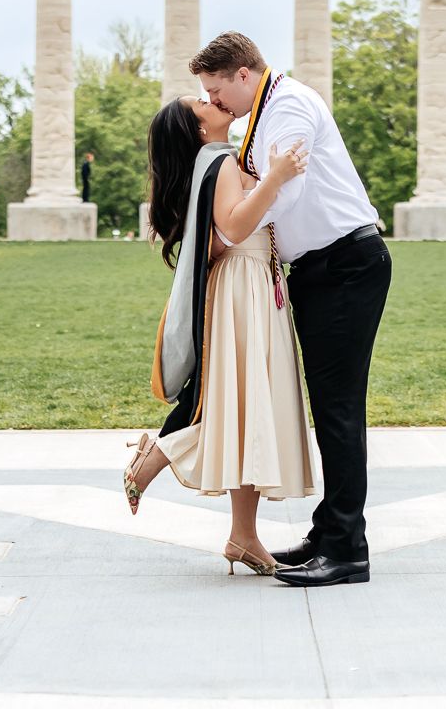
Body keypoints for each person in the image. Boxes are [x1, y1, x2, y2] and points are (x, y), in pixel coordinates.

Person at [192, 31, 389, 588]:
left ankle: (348, 550)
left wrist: (231, 225)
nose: (215, 101)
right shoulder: (264, 112)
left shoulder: (290, 106)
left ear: (242, 74)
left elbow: (286, 195)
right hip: (319, 271)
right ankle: (329, 533)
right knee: (329, 406)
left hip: (346, 262)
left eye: (216, 88)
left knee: (339, 410)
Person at [126, 94, 313, 575]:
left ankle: (242, 536)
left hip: (248, 285)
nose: (212, 101)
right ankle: (163, 457)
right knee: (246, 407)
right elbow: (231, 228)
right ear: (198, 127)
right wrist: (275, 177)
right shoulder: (220, 161)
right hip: (243, 287)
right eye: (200, 103)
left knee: (246, 410)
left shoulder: (213, 162)